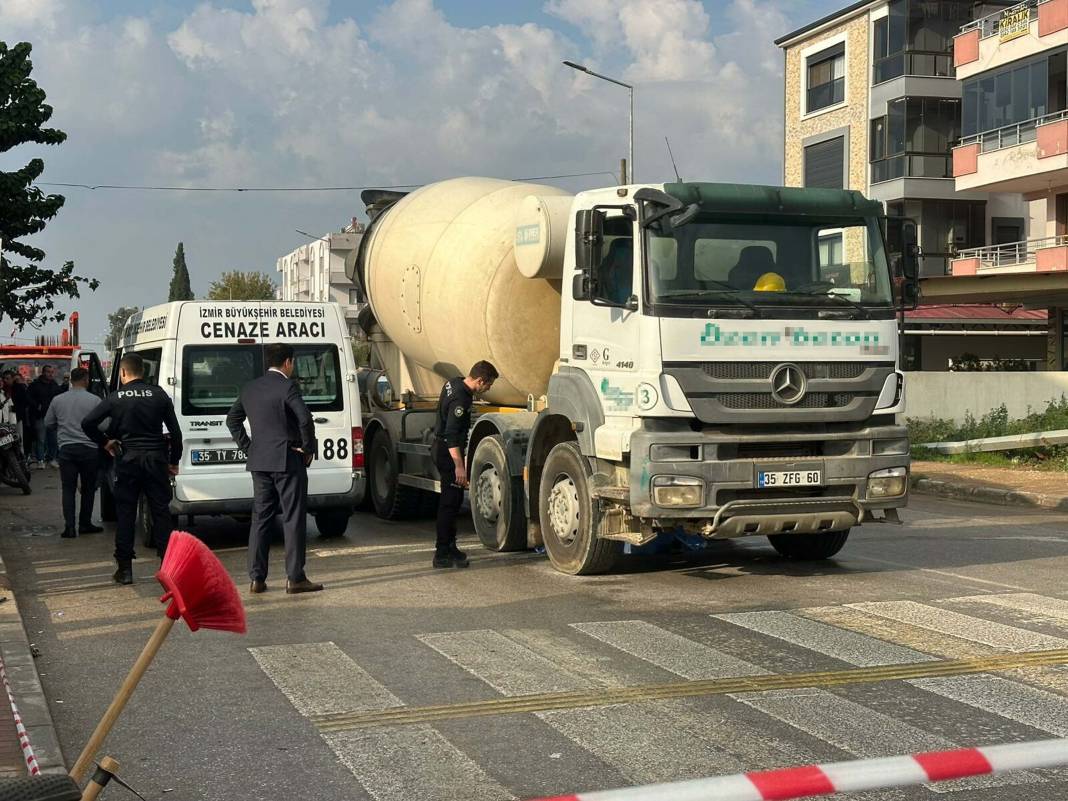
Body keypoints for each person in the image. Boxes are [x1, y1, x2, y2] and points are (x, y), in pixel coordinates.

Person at [226, 343, 322, 595]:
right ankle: (295, 578)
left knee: (260, 519)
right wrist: (308, 448)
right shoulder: (288, 386)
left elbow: (232, 419)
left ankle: (257, 579)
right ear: (288, 362)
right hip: (288, 459)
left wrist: (248, 447)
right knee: (293, 517)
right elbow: (304, 417)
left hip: (260, 461)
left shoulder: (250, 387)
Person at [81, 353, 182, 585]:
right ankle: (168, 570)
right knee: (161, 513)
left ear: (123, 373)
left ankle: (125, 570)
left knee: (126, 514)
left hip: (127, 461)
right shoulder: (159, 395)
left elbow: (87, 423)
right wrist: (173, 461)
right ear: (143, 372)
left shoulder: (115, 397)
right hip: (156, 460)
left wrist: (105, 442)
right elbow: (176, 435)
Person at [431, 360, 498, 569]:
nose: (488, 389)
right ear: (480, 380)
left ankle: (450, 547)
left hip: (444, 449)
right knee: (449, 504)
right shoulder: (461, 398)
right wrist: (459, 466)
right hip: (448, 452)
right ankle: (442, 553)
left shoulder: (454, 382)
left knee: (455, 499)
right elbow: (451, 435)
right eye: (488, 385)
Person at [45, 368, 104, 539]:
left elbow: (48, 423)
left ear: (71, 381)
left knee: (68, 489)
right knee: (88, 489)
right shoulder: (95, 400)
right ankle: (85, 524)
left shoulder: (58, 400)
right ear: (86, 380)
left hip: (67, 450)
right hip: (89, 450)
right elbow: (104, 425)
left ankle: (69, 528)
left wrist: (63, 429)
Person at [28, 365, 63, 469]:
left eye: (52, 372)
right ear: (43, 372)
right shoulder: (35, 385)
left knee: (53, 439)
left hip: (52, 416)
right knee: (41, 439)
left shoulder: (54, 384)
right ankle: (40, 460)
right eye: (48, 372)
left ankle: (52, 459)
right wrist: (37, 406)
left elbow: (60, 396)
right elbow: (28, 397)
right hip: (40, 416)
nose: (50, 374)